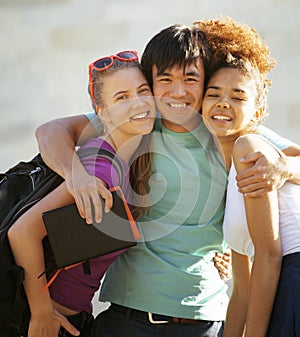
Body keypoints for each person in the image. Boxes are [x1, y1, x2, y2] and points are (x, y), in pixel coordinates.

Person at [35, 23, 300, 337]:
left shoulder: (225, 128)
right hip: (126, 316)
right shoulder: (139, 122)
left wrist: (284, 166)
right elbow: (51, 131)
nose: (178, 91)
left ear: (205, 83)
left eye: (190, 79)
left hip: (202, 320)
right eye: (165, 80)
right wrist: (75, 175)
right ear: (151, 84)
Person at [5, 51, 156, 337]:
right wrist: (41, 314)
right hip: (41, 322)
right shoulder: (100, 167)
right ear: (102, 111)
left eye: (142, 91)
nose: (137, 102)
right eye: (122, 97)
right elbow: (22, 233)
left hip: (74, 318)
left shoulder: (127, 160)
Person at [200, 17, 300, 336]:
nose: (224, 103)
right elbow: (241, 292)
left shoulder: (250, 146)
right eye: (213, 93)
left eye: (238, 96)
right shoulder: (227, 173)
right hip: (279, 285)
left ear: (257, 112)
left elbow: (269, 257)